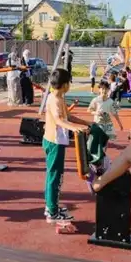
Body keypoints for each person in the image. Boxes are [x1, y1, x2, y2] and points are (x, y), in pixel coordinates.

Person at [42, 68, 91, 222]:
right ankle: (52, 212)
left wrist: (86, 123)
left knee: (53, 175)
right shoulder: (54, 100)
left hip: (56, 141)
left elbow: (68, 116)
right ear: (64, 85)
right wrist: (74, 128)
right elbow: (59, 120)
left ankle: (51, 206)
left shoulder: (59, 97)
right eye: (69, 83)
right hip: (54, 142)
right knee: (55, 176)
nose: (69, 85)